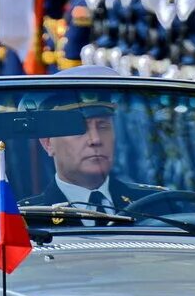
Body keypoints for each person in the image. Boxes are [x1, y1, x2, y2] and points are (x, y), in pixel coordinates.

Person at [19, 94, 156, 225]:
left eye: (103, 127)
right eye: (79, 128)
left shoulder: (154, 206)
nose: (95, 139)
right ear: (48, 143)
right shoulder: (25, 218)